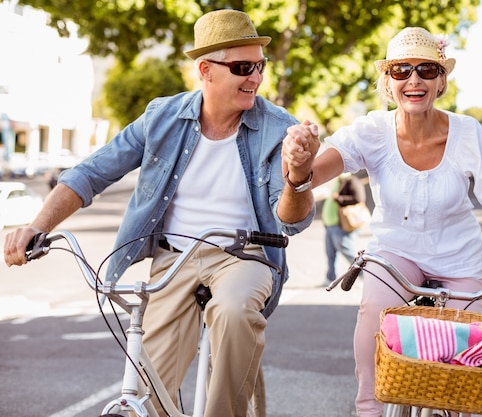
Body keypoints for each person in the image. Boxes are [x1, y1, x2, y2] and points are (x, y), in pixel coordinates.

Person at [4, 9, 316, 417]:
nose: (255, 77)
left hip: (245, 256)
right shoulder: (162, 117)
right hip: (173, 259)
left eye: (259, 65)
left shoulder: (279, 128)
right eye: (243, 66)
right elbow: (91, 173)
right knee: (147, 395)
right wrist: (36, 227)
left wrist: (298, 174)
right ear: (206, 70)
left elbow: (291, 220)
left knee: (235, 312)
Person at [277, 27, 482, 417]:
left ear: (441, 80)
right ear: (388, 82)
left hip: (458, 261)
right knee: (373, 311)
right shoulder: (371, 131)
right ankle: (369, 408)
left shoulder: (468, 135)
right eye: (401, 70)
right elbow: (312, 175)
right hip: (396, 255)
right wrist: (301, 161)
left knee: (461, 364)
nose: (414, 80)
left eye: (425, 70)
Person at [322, 173, 367, 284]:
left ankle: (364, 276)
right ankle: (330, 278)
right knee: (330, 254)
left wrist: (339, 198)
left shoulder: (351, 180)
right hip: (330, 224)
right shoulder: (339, 180)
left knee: (348, 253)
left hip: (341, 225)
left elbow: (359, 198)